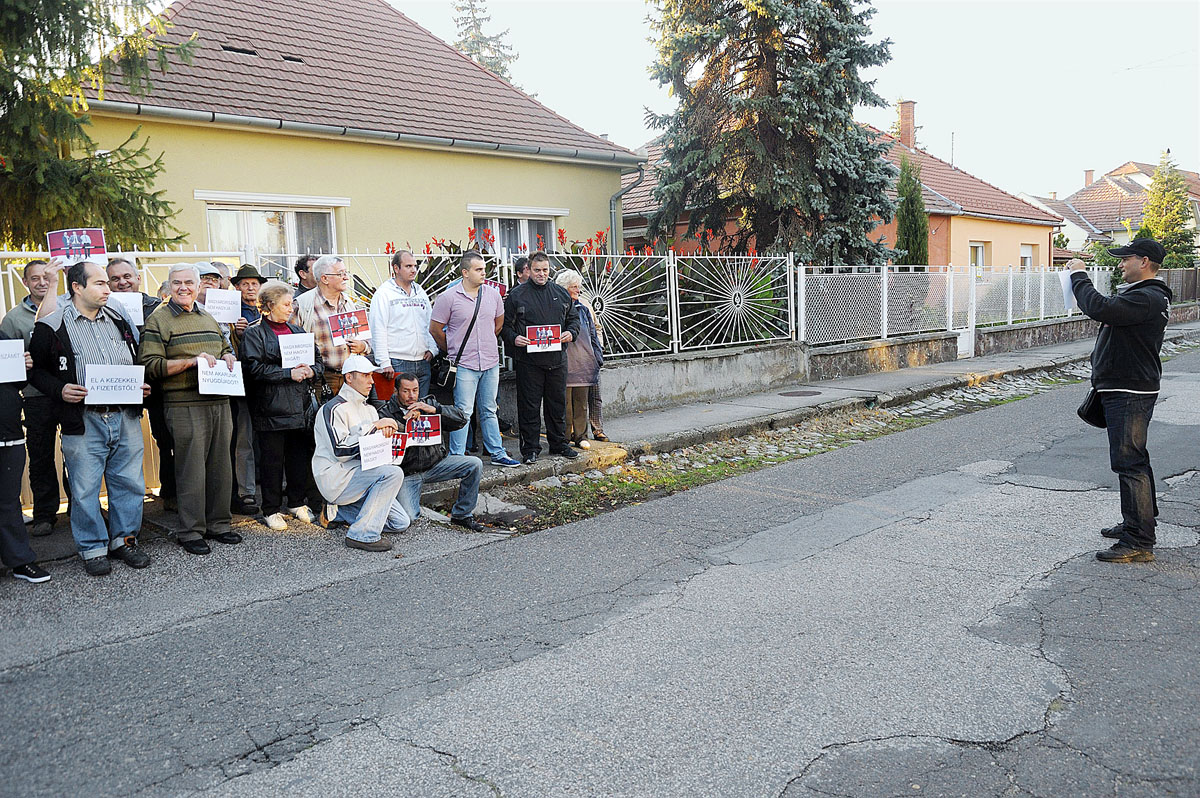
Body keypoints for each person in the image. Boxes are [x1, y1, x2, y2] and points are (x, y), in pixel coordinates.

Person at [30, 262, 152, 576]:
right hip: (83, 421)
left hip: (124, 416)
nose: (108, 288)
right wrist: (59, 390)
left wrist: (140, 385)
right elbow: (38, 371)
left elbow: (134, 357)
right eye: (99, 283)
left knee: (129, 484)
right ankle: (93, 548)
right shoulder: (52, 325)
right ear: (77, 287)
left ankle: (125, 541)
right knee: (84, 489)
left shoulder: (119, 318)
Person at [1067, 238, 1172, 564]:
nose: (1120, 264)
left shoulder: (1148, 298)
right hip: (1127, 387)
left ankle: (1139, 540)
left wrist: (1078, 276)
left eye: (1125, 259)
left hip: (1129, 391)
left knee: (1130, 462)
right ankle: (1138, 521)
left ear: (1143, 261)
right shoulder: (1147, 297)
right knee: (1135, 459)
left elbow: (1099, 307)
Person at [139, 263, 243, 556]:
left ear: (199, 286)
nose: (183, 288)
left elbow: (223, 347)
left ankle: (220, 524)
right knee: (191, 469)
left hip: (219, 399)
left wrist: (228, 357)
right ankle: (191, 531)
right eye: (177, 283)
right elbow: (149, 366)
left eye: (189, 283)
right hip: (184, 402)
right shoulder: (158, 320)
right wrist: (189, 362)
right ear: (169, 286)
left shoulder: (206, 313)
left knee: (221, 466)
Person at [240, 280, 324, 531]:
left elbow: (318, 361)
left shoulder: (298, 332)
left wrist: (311, 371)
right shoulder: (255, 333)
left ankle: (296, 502)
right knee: (272, 461)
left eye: (291, 304)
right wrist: (287, 373)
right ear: (268, 306)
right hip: (271, 407)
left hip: (299, 406)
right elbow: (252, 369)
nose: (290, 308)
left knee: (299, 458)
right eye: (286, 304)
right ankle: (271, 508)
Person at [430, 251, 521, 469]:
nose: (484, 273)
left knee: (490, 409)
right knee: (463, 412)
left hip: (490, 362)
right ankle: (457, 457)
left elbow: (498, 324)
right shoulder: (449, 297)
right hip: (464, 364)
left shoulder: (492, 295)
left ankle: (496, 452)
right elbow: (435, 329)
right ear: (465, 272)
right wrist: (453, 350)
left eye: (484, 269)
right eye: (478, 269)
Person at [312, 355, 407, 552]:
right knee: (392, 474)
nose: (371, 381)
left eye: (371, 375)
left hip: (362, 475)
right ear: (349, 378)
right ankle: (362, 534)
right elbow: (341, 451)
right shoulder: (331, 409)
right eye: (365, 375)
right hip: (337, 478)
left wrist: (388, 439)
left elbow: (374, 452)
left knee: (400, 522)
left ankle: (337, 512)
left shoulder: (370, 409)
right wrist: (374, 428)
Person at [0, 259, 67, 537]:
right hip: (35, 396)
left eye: (46, 277)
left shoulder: (67, 307)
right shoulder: (13, 319)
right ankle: (44, 514)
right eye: (35, 278)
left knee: (76, 454)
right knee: (40, 455)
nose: (41, 282)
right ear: (25, 282)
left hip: (69, 392)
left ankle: (82, 509)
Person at [374, 372, 486, 531]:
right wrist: (402, 424)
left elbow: (461, 420)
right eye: (406, 391)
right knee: (410, 517)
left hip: (436, 465)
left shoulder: (427, 404)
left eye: (415, 390)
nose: (411, 395)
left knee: (474, 464)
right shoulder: (385, 413)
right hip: (407, 474)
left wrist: (434, 409)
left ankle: (462, 515)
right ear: (396, 391)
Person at [107, 258, 174, 508]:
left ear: (138, 278)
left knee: (166, 439)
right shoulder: (102, 309)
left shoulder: (158, 307)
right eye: (115, 278)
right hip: (120, 385)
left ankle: (170, 492)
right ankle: (124, 503)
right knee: (121, 445)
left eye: (127, 276)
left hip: (156, 382)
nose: (122, 282)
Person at [502, 251, 581, 463]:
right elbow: (504, 327)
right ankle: (530, 450)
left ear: (550, 270)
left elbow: (574, 320)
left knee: (557, 405)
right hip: (529, 363)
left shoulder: (561, 294)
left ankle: (559, 444)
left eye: (545, 270)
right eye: (537, 270)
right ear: (529, 269)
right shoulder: (517, 295)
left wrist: (570, 333)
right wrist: (514, 338)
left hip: (557, 360)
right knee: (529, 408)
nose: (541, 274)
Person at [0, 306, 51, 584]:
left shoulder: (3, 338)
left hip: (8, 433)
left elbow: (17, 381)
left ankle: (20, 561)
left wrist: (24, 365)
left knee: (9, 502)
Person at [291, 256, 370, 395]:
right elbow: (292, 346)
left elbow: (366, 340)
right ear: (324, 278)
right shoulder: (302, 304)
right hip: (320, 378)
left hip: (351, 376)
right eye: (340, 274)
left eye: (346, 273)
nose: (346, 278)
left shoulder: (349, 303)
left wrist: (363, 346)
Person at [370, 250, 438, 396]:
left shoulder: (420, 292)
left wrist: (433, 349)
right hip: (397, 362)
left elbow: (429, 322)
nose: (413, 270)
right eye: (408, 266)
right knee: (398, 412)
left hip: (423, 361)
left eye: (415, 265)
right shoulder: (384, 294)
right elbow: (378, 328)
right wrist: (384, 362)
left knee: (421, 411)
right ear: (396, 268)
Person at [229, 264, 266, 516]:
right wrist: (238, 333)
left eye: (254, 283)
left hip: (267, 383)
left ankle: (269, 483)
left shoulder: (266, 308)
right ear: (237, 287)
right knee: (244, 439)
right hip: (243, 383)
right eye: (245, 284)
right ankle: (246, 491)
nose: (250, 287)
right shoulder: (231, 312)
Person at [554, 270, 604, 449]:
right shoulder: (557, 305)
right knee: (564, 403)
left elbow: (593, 331)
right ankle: (565, 436)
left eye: (579, 286)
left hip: (583, 360)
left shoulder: (584, 306)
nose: (578, 290)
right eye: (574, 287)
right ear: (565, 288)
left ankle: (581, 436)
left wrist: (598, 355)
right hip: (565, 360)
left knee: (581, 402)